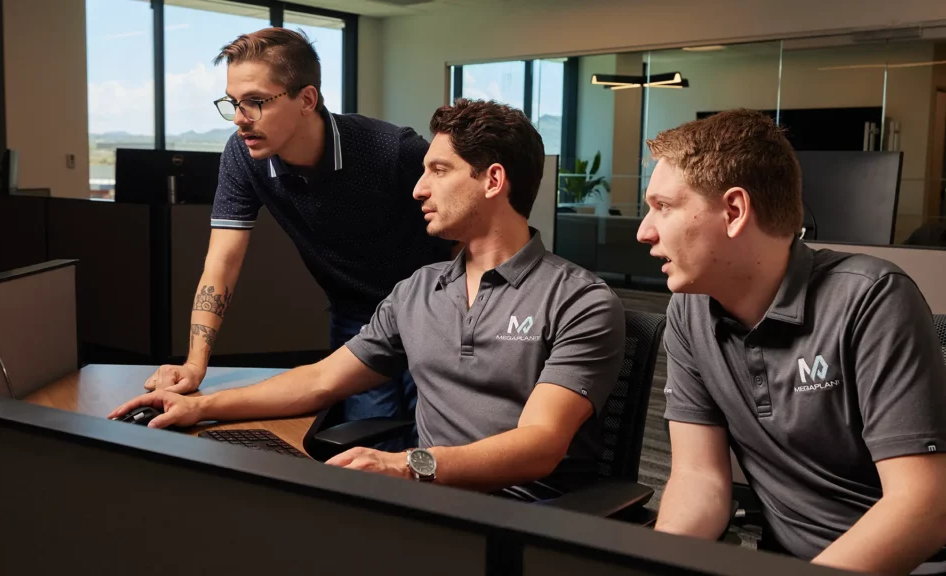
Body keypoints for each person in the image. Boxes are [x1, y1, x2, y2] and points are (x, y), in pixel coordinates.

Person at [110, 99, 626, 492]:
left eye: (438, 171)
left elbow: (539, 447)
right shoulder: (420, 290)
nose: (419, 189)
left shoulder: (579, 301)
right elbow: (321, 381)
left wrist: (408, 463)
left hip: (530, 519)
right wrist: (199, 408)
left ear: (493, 180)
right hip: (434, 504)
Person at [638, 109, 946, 575]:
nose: (645, 230)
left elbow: (922, 509)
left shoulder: (871, 298)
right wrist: (656, 563)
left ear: (735, 211)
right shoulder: (690, 310)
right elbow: (699, 478)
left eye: (663, 206)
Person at [143, 28, 453, 431]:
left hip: (429, 307)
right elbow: (221, 264)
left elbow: (465, 227)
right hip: (355, 313)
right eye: (234, 103)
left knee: (434, 434)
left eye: (255, 102)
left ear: (307, 99)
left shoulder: (392, 150)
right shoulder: (243, 155)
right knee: (367, 434)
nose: (240, 119)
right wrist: (194, 364)